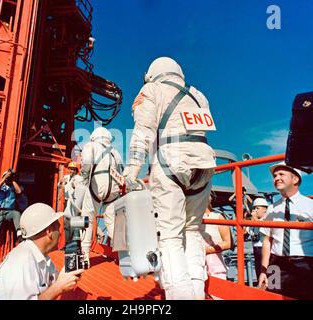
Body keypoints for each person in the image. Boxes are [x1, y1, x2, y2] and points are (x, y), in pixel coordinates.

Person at [123, 57, 216, 299]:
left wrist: (132, 169)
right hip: (204, 163)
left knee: (170, 236)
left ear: (151, 74)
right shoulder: (199, 95)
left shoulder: (151, 89)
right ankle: (196, 291)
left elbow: (143, 132)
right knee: (193, 230)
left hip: (170, 163)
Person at [0, 203, 83, 300]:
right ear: (49, 231)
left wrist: (66, 276)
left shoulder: (43, 258)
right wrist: (58, 288)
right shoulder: (21, 261)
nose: (60, 233)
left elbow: (55, 282)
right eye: (58, 228)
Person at [258, 162, 313, 299]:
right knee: (273, 296)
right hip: (276, 263)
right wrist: (264, 270)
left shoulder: (310, 206)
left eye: (281, 174)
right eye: (275, 175)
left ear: (295, 179)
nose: (276, 178)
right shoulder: (271, 209)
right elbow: (267, 240)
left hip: (305, 263)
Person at [80, 127, 123, 265]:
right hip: (113, 190)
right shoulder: (115, 151)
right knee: (111, 222)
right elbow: (121, 170)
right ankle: (125, 256)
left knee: (88, 219)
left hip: (97, 186)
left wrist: (84, 176)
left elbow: (86, 162)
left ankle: (84, 256)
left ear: (93, 136)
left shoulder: (90, 146)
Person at [0, 169, 23, 266]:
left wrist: (13, 180)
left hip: (8, 212)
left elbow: (19, 191)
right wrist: (4, 178)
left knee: (16, 213)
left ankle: (19, 234)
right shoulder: (1, 185)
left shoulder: (13, 187)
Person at [200, 195, 232, 281]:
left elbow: (228, 242)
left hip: (215, 264)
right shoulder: (191, 219)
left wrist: (207, 250)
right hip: (196, 264)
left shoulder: (218, 217)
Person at [248, 197, 268, 280]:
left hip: (265, 250)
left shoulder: (268, 219)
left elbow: (264, 229)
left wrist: (255, 219)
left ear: (264, 209)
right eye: (254, 208)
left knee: (266, 274)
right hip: (256, 249)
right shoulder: (254, 220)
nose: (255, 211)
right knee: (258, 273)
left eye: (257, 208)